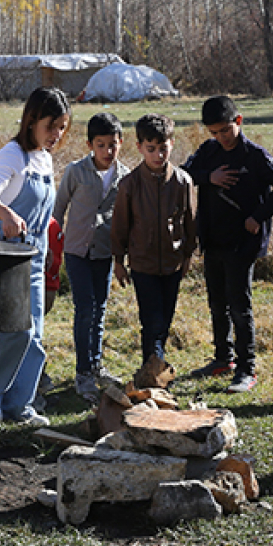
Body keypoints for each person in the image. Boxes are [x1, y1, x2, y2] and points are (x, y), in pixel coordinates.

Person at [0, 87, 71, 427]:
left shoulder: (44, 156)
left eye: (62, 127)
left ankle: (18, 406)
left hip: (36, 255)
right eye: (50, 126)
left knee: (35, 334)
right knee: (15, 330)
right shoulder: (11, 154)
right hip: (6, 254)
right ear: (31, 120)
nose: (56, 135)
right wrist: (5, 214)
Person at [183, 96, 273, 393]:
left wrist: (258, 216)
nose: (221, 138)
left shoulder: (255, 155)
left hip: (242, 243)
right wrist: (210, 177)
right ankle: (223, 358)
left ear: (239, 121)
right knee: (216, 303)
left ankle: (247, 368)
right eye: (214, 132)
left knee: (239, 305)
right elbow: (183, 174)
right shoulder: (208, 152)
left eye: (225, 130)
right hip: (212, 239)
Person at [111, 113, 198, 384]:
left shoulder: (183, 182)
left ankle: (153, 365)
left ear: (172, 144)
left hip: (172, 263)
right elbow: (121, 225)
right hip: (142, 263)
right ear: (139, 148)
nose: (158, 155)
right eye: (151, 149)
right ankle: (153, 371)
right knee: (151, 320)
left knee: (166, 318)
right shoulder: (129, 185)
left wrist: (187, 256)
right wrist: (118, 260)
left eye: (163, 148)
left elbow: (190, 221)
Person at [52, 112, 129, 404]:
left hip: (104, 252)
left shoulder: (125, 177)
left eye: (112, 144)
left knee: (100, 310)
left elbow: (126, 219)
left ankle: (96, 365)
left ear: (120, 143)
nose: (107, 151)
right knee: (84, 309)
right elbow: (58, 210)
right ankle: (82, 371)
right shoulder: (76, 171)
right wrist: (54, 247)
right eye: (101, 145)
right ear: (89, 145)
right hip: (76, 251)